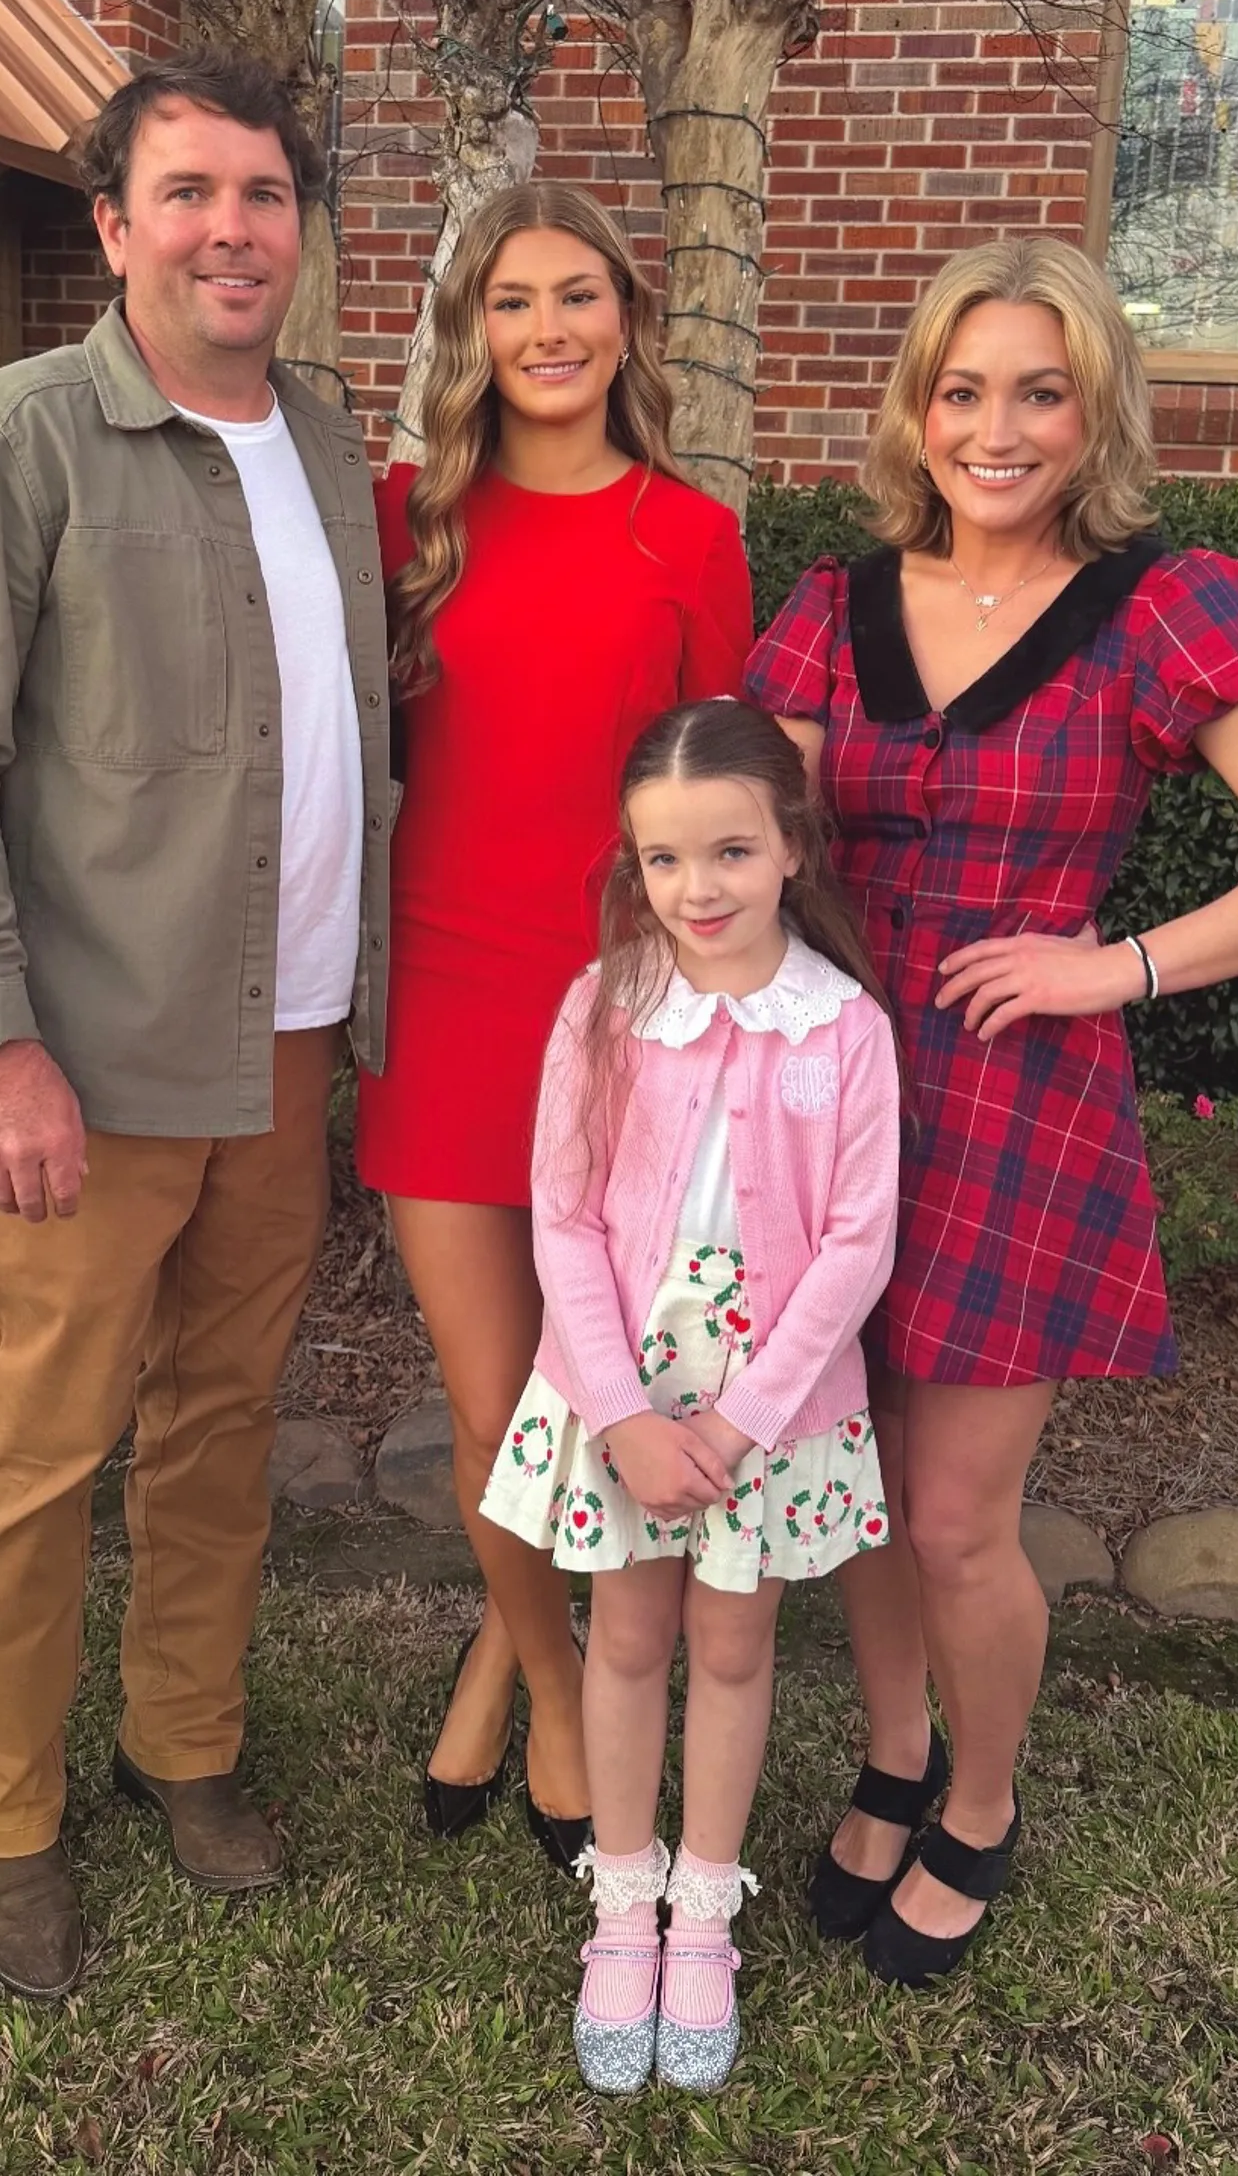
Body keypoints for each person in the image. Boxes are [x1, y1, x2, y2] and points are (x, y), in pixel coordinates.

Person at [745, 236, 1238, 1990]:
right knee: (859, 1488)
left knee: (957, 1511)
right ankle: (887, 1756)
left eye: (1041, 390)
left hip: (1014, 1102)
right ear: (919, 405)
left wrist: (1114, 966)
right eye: (965, 389)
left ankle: (979, 1796)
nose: (998, 427)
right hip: (831, 1091)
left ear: (1095, 405)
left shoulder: (1160, 605)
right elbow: (758, 840)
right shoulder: (836, 602)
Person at [0, 50, 393, 2000]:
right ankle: (8, 1823)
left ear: (296, 230)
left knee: (221, 1425)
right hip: (87, 1058)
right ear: (114, 225)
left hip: (289, 1037)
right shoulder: (15, 441)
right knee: (35, 1450)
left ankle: (187, 1746)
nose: (231, 227)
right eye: (188, 192)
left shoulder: (325, 440)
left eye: (262, 194)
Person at [357, 185, 752, 1866]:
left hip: (620, 1010)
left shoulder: (693, 536)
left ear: (625, 320)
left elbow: (731, 807)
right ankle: (548, 1673)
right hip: (442, 999)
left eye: (578, 294)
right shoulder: (404, 520)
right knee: (487, 1399)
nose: (547, 329)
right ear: (474, 330)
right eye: (511, 300)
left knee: (597, 1389)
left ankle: (492, 1674)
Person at [482, 699, 900, 2092]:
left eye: (728, 851)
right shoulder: (603, 1009)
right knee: (627, 1644)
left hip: (761, 1412)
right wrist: (623, 1414)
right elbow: (563, 1217)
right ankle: (621, 1909)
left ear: (793, 846)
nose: (697, 889)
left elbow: (856, 1246)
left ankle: (703, 1915)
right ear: (632, 866)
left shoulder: (843, 1030)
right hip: (628, 1398)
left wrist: (734, 1423)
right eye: (663, 861)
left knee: (732, 1650)